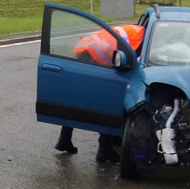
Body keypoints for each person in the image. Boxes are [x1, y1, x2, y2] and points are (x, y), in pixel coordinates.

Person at [56, 23, 145, 161]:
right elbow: (133, 62)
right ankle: (104, 149)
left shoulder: (136, 30)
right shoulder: (142, 38)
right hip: (95, 55)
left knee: (78, 97)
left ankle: (64, 139)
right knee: (108, 101)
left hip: (84, 47)